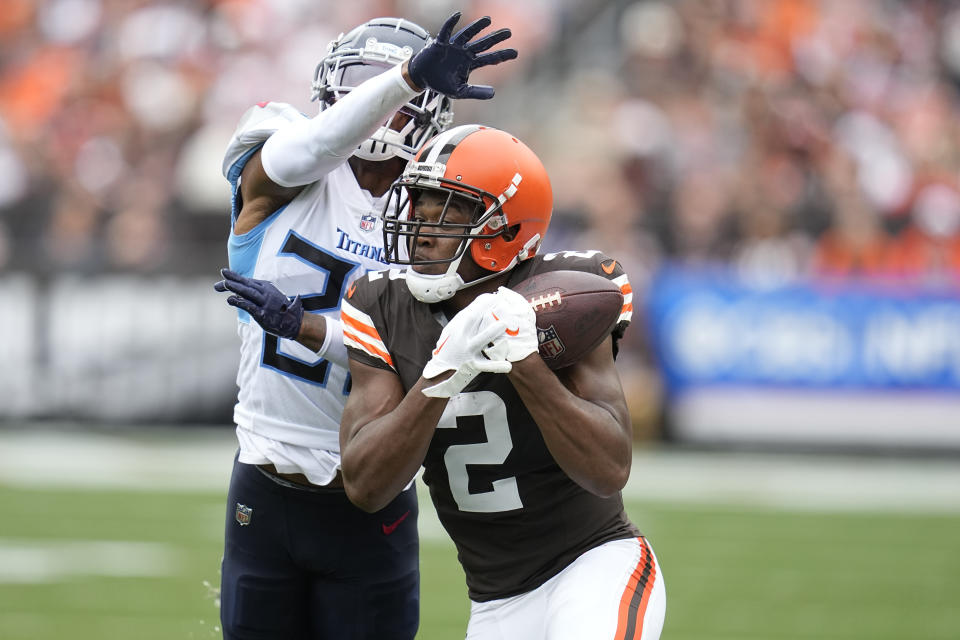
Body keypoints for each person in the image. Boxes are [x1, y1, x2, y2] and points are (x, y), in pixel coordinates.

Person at [212, 13, 517, 639]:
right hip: (267, 479)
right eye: (360, 90)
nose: (377, 114)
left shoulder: (438, 204)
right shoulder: (280, 153)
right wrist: (405, 77)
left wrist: (306, 329)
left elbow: (427, 355)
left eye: (395, 97)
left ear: (431, 112)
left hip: (372, 489)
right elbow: (316, 148)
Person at [337, 124, 666, 639]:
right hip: (495, 602)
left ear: (507, 227)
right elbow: (364, 485)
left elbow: (609, 468)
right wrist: (441, 375)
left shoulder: (565, 297)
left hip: (593, 565)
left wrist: (524, 360)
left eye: (445, 211)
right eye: (417, 207)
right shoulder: (380, 304)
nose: (421, 227)